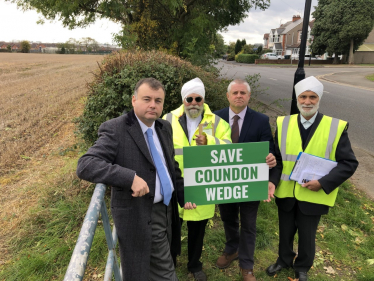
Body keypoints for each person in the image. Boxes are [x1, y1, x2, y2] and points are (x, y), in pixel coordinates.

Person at [76, 78, 195, 281]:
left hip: (167, 212)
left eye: (158, 100)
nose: (153, 105)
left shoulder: (164, 127)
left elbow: (170, 167)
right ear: (133, 100)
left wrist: (184, 195)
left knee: (157, 264)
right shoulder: (116, 129)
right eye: (147, 99)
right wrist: (128, 177)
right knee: (166, 273)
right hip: (140, 214)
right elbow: (86, 164)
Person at [266, 76, 358, 281]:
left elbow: (349, 163)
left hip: (314, 193)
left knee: (307, 234)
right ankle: (283, 259)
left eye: (312, 97)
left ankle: (303, 267)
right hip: (287, 191)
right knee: (285, 230)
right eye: (303, 97)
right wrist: (272, 180)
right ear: (297, 99)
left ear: (319, 99)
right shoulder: (283, 123)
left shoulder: (335, 127)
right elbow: (278, 159)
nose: (307, 101)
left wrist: (323, 183)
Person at [163, 77, 232, 281]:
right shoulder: (167, 119)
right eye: (189, 99)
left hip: (203, 184)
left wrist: (210, 141)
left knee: (198, 229)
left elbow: (230, 148)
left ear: (204, 99)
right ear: (183, 100)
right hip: (174, 183)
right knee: (172, 228)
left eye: (198, 99)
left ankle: (195, 264)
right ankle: (170, 263)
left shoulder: (217, 122)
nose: (194, 103)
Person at [214, 79, 277, 281]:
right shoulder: (216, 118)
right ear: (228, 96)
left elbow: (269, 149)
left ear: (249, 96)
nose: (239, 96)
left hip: (250, 183)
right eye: (235, 93)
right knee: (228, 218)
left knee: (249, 224)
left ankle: (247, 265)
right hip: (224, 182)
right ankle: (232, 249)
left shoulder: (260, 120)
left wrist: (270, 156)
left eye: (243, 93)